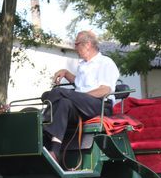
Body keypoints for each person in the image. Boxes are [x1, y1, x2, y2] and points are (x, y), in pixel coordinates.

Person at [42, 30, 120, 163]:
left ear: (88, 44)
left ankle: (42, 123)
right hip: (81, 105)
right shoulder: (83, 65)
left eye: (77, 44)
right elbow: (80, 84)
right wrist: (66, 73)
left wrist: (78, 97)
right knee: (64, 103)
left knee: (57, 93)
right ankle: (54, 151)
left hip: (99, 105)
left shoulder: (105, 62)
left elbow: (104, 90)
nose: (75, 48)